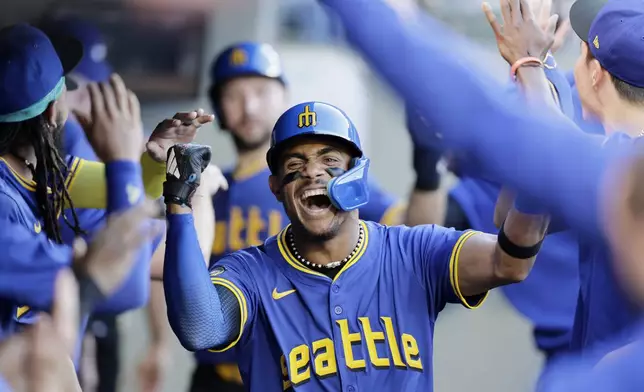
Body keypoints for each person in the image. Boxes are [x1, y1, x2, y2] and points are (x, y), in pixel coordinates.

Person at [320, 0, 644, 364]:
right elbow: (514, 217)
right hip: (577, 355)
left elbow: (495, 126)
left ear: (596, 72)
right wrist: (538, 71)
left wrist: (532, 65)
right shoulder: (603, 148)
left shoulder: (614, 170)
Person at [162, 101, 549, 391]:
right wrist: (180, 203)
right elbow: (200, 328)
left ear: (357, 176)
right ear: (277, 188)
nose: (312, 171)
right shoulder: (252, 272)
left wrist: (542, 167)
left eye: (330, 160)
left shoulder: (413, 251)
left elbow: (508, 263)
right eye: (294, 166)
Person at [189, 41, 442, 392]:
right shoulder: (207, 188)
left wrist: (428, 172)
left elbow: (415, 235)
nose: (249, 106)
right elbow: (172, 278)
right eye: (234, 95)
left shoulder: (332, 181)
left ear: (283, 95)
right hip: (218, 376)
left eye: (261, 91)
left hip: (306, 371)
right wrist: (158, 341)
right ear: (218, 105)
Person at [0, 22, 206, 343]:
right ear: (55, 111)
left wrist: (152, 162)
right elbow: (124, 289)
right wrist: (120, 160)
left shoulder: (44, 174)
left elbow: (129, 230)